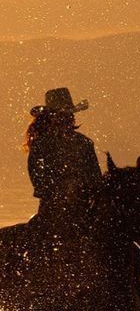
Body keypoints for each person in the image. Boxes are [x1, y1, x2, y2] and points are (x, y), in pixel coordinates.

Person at [26, 87, 102, 222]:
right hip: (52, 210)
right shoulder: (41, 145)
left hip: (85, 208)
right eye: (61, 115)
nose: (65, 119)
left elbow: (96, 179)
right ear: (50, 118)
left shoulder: (84, 143)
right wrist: (60, 191)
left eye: (67, 115)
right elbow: (38, 180)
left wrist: (80, 190)